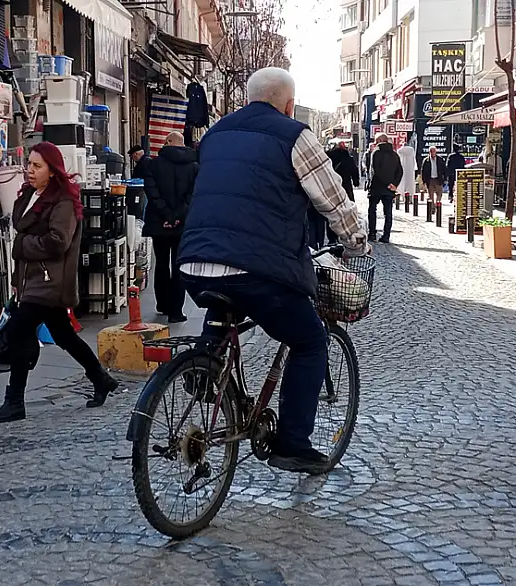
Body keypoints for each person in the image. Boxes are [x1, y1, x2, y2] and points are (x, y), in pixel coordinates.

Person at [177, 67, 369, 474]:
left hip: (194, 260)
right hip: (258, 267)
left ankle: (204, 366)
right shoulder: (295, 136)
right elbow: (332, 200)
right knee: (310, 341)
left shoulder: (214, 134)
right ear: (288, 104)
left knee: (225, 294)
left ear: (247, 100)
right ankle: (293, 444)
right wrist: (356, 242)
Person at [0, 142, 119, 424]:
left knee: (18, 331)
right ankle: (100, 378)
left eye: (37, 166)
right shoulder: (30, 196)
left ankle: (14, 401)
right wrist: (15, 280)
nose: (30, 170)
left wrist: (22, 245)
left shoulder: (64, 202)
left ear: (52, 169)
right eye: (29, 164)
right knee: (63, 334)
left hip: (49, 282)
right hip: (31, 281)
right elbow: (24, 241)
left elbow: (58, 242)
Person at [144, 131, 198, 323]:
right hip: (181, 224)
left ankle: (162, 304)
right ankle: (176, 311)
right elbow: (192, 195)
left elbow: (151, 191)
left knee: (161, 263)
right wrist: (177, 216)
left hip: (159, 222)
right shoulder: (194, 166)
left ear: (167, 143)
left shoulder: (153, 164)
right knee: (178, 265)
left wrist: (166, 214)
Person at [368, 133, 403, 243]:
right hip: (389, 189)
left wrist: (388, 183)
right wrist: (394, 184)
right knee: (388, 213)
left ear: (379, 141)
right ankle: (386, 235)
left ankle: (372, 233)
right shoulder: (395, 154)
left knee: (372, 210)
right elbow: (400, 171)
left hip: (376, 187)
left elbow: (376, 170)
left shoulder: (376, 153)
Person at [396, 136, 417, 208]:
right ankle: (410, 198)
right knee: (410, 183)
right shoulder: (411, 150)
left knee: (402, 183)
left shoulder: (399, 151)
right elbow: (414, 159)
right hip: (410, 169)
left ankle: (402, 196)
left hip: (402, 169)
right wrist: (415, 167)